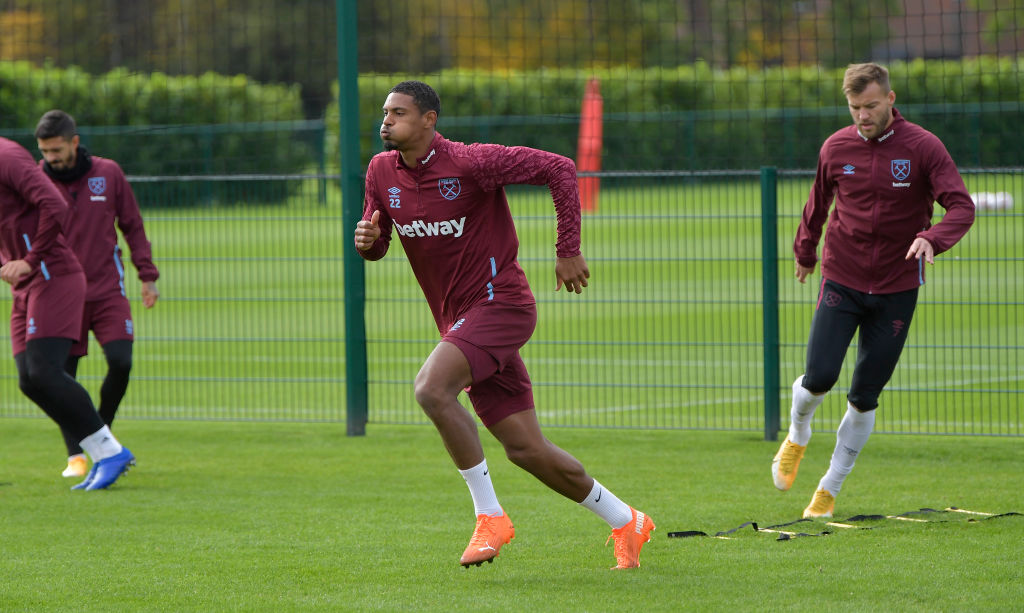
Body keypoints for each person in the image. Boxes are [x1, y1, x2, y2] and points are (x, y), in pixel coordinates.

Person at [354, 81, 654, 569]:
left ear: (429, 120)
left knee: (431, 389)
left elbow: (559, 167)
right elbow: (379, 242)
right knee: (525, 449)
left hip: (502, 305)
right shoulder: (380, 170)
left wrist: (568, 249)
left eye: (399, 113)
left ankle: (490, 516)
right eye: (385, 113)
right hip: (461, 320)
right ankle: (628, 520)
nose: (386, 121)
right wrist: (367, 240)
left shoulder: (471, 162)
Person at [772, 63, 975, 518]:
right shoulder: (836, 147)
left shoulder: (923, 147)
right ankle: (797, 433)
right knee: (820, 375)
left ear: (890, 99)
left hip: (898, 286)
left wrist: (933, 238)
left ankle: (829, 488)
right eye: (854, 107)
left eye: (870, 106)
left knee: (865, 394)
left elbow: (961, 206)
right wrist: (805, 253)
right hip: (841, 277)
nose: (862, 115)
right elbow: (816, 205)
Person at [0, 136, 135, 491]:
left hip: (53, 276)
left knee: (45, 371)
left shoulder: (7, 157)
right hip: (26, 287)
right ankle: (104, 453)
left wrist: (29, 260)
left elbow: (55, 205)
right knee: (29, 380)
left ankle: (110, 452)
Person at [34, 110, 160, 479]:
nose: (50, 158)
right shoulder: (35, 180)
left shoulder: (108, 173)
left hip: (107, 290)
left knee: (121, 361)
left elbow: (133, 225)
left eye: (56, 149)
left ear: (74, 142)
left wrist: (147, 276)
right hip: (58, 293)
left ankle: (101, 437)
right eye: (43, 150)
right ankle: (77, 457)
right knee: (61, 375)